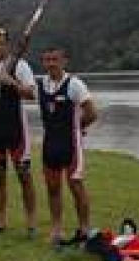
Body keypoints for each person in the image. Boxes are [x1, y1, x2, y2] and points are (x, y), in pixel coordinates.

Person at [0, 28, 37, 237]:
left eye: (0, 43)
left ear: (7, 45)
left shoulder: (19, 65)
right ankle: (0, 221)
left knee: (24, 175)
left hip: (16, 130)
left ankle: (31, 223)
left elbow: (31, 94)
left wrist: (11, 82)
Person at [37, 47, 98, 247]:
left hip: (71, 146)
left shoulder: (74, 84)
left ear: (64, 61)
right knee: (53, 189)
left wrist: (77, 128)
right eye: (47, 60)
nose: (51, 63)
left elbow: (91, 113)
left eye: (55, 59)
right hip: (50, 145)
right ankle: (56, 230)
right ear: (43, 63)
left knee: (76, 187)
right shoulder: (41, 85)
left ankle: (84, 230)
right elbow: (22, 92)